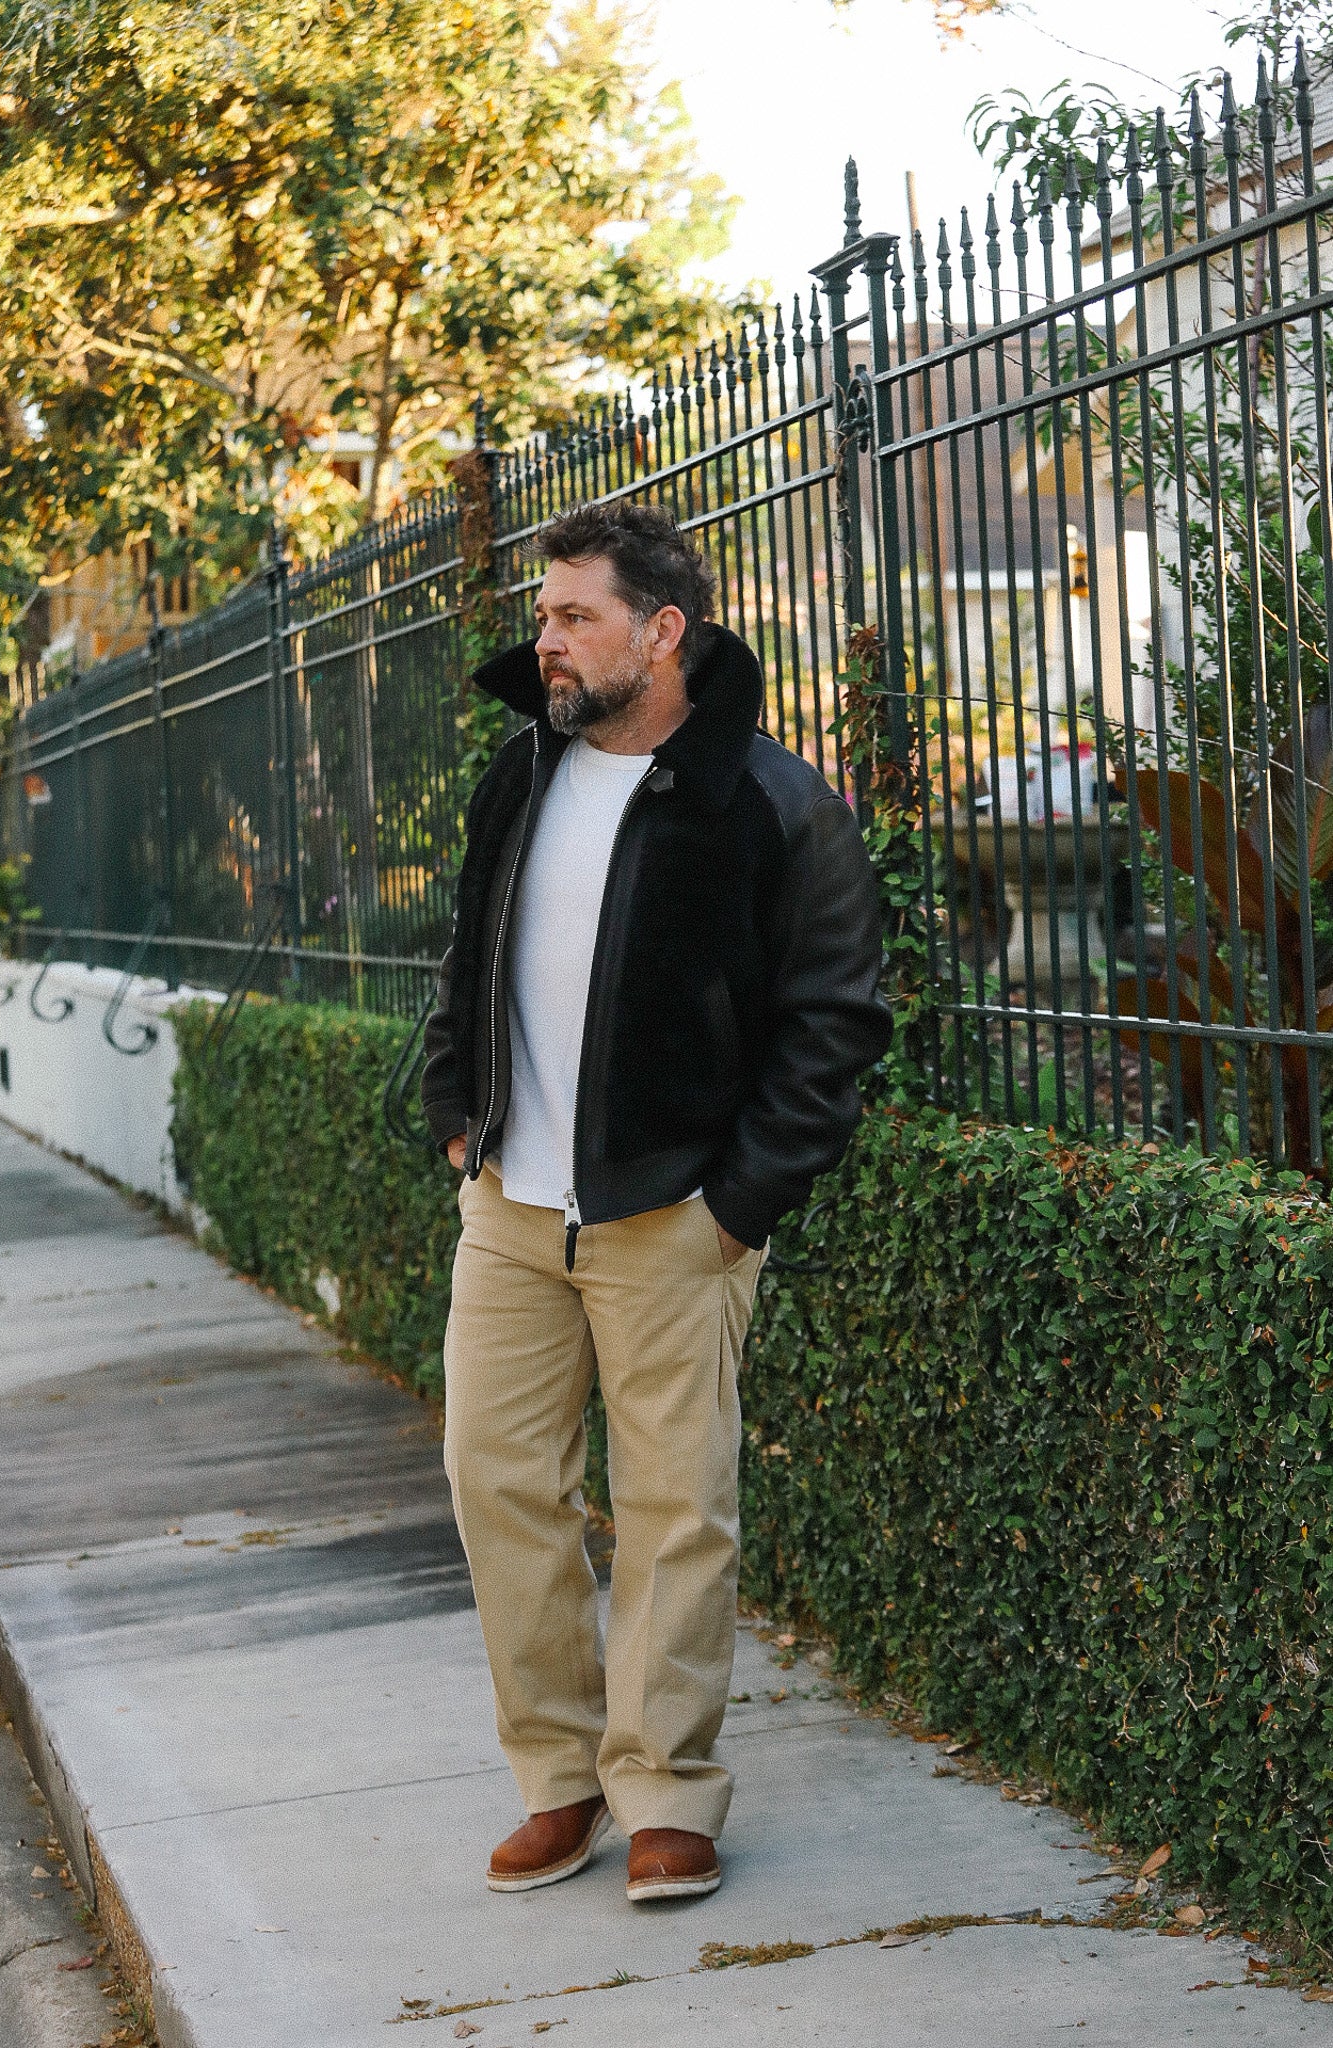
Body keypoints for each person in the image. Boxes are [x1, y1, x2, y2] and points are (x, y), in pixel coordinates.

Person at [420, 500, 890, 1903]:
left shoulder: (768, 799)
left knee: (677, 1511)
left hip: (669, 1215)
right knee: (496, 1484)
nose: (545, 640)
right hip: (511, 1205)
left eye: (573, 616)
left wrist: (737, 1203)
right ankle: (558, 1780)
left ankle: (667, 1790)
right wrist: (459, 1117)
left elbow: (833, 1023)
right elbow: (465, 956)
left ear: (661, 629)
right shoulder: (523, 774)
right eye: (545, 614)